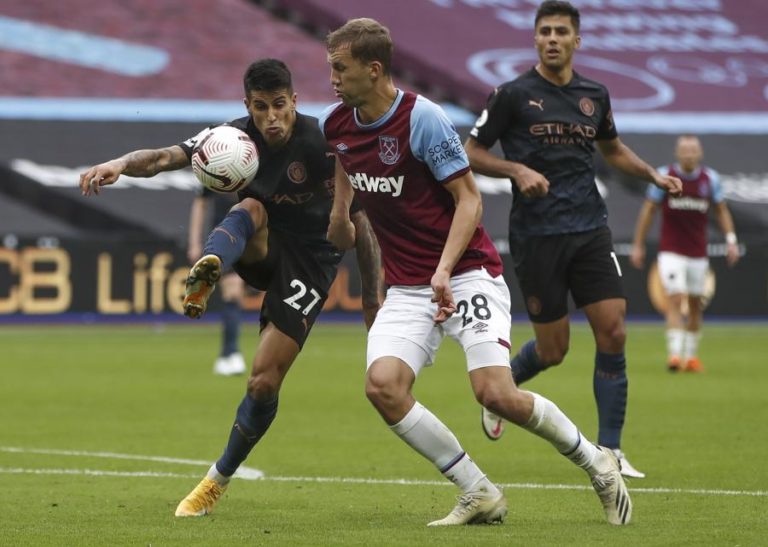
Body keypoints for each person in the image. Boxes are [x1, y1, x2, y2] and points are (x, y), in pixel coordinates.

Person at [322, 17, 631, 527]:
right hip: (407, 286)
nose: (332, 78)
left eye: (340, 68)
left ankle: (596, 462)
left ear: (373, 70)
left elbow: (468, 202)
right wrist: (337, 219)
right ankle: (478, 491)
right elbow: (345, 190)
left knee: (495, 393)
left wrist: (444, 270)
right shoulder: (336, 125)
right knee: (383, 387)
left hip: (466, 272)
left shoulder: (423, 119)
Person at [79, 58, 381, 517]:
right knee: (254, 208)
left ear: (294, 101)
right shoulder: (231, 139)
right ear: (248, 106)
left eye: (280, 105)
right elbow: (163, 158)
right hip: (260, 247)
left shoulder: (323, 142)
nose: (272, 118)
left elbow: (362, 220)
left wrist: (373, 299)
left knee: (262, 381)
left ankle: (215, 480)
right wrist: (118, 163)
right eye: (261, 107)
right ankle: (213, 262)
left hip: (311, 263)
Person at [463, 0, 683, 480]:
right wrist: (517, 169)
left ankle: (611, 450)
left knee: (614, 329)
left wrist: (652, 175)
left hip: (589, 228)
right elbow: (471, 151)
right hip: (537, 235)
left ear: (576, 40)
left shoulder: (594, 94)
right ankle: (503, 390)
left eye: (562, 31)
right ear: (536, 38)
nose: (553, 39)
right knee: (553, 349)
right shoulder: (512, 95)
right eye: (545, 32)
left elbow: (612, 148)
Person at [630, 134, 739, 372]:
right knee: (675, 299)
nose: (689, 154)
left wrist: (731, 240)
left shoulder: (710, 180)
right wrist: (638, 244)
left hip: (698, 253)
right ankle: (674, 356)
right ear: (677, 153)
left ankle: (691, 357)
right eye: (685, 150)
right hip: (671, 251)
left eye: (693, 150)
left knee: (694, 304)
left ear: (700, 154)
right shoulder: (664, 176)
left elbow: (721, 210)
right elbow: (649, 211)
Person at [187, 189, 247, 376]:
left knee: (237, 295)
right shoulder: (215, 164)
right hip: (223, 237)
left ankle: (226, 355)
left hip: (250, 236)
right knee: (233, 291)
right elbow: (200, 202)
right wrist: (194, 243)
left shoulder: (258, 166)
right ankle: (232, 352)